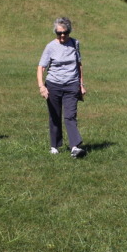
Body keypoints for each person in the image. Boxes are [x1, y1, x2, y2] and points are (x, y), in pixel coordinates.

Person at [37, 16, 86, 157]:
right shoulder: (50, 47)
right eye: (59, 33)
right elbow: (41, 67)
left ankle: (74, 147)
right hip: (53, 85)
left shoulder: (75, 43)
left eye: (65, 32)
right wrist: (42, 87)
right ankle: (55, 145)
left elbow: (79, 65)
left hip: (72, 85)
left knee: (70, 116)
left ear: (69, 32)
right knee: (55, 116)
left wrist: (81, 84)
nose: (63, 35)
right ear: (56, 33)